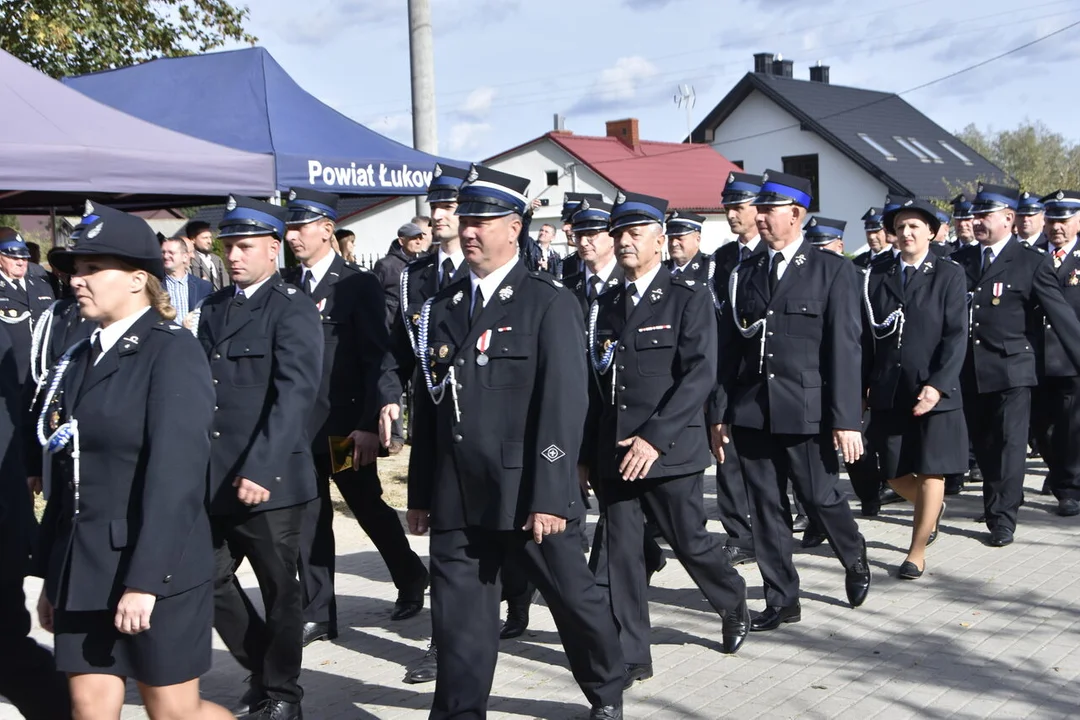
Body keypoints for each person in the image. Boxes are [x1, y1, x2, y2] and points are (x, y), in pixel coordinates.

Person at [399, 164, 624, 720]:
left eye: (482, 221)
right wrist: (421, 491)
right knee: (458, 623)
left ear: (515, 227)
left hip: (528, 494)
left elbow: (565, 408)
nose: (467, 230)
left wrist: (551, 493)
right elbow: (430, 407)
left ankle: (606, 689)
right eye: (463, 220)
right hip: (458, 495)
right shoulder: (443, 307)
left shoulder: (548, 302)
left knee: (574, 601)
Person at [31, 203, 230, 720]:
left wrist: (145, 582)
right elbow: (70, 472)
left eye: (94, 269)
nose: (79, 280)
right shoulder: (79, 353)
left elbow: (176, 478)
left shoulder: (172, 352)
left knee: (174, 713)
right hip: (86, 562)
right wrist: (55, 578)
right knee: (90, 707)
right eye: (75, 270)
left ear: (139, 279)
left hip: (154, 564)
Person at [584, 189, 749, 692]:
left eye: (635, 233)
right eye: (619, 234)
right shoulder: (604, 303)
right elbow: (596, 385)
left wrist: (653, 439)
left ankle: (732, 598)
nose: (625, 242)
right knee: (621, 554)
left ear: (660, 239)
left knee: (691, 543)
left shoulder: (688, 297)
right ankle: (633, 651)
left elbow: (699, 375)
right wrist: (589, 454)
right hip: (615, 453)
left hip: (669, 452)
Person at [714, 170, 871, 631]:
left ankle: (854, 556)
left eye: (768, 209)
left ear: (796, 214)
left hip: (806, 409)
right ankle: (782, 599)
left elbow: (845, 350)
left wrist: (846, 421)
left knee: (819, 496)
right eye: (757, 209)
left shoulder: (833, 270)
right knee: (765, 509)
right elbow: (731, 348)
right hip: (754, 410)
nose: (759, 217)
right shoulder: (745, 271)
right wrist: (719, 412)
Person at [282, 187, 428, 648]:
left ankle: (410, 577)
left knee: (364, 504)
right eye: (287, 228)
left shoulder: (356, 284)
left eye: (300, 227)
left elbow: (374, 357)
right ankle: (318, 612)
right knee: (310, 517)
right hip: (300, 433)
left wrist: (368, 423)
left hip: (344, 430)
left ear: (327, 229)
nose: (291, 237)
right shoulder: (288, 286)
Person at [198, 195, 323, 720]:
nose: (234, 256)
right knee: (206, 578)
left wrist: (261, 466)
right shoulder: (213, 306)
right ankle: (261, 666)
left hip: (270, 478)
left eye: (245, 246)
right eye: (229, 246)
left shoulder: (291, 306)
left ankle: (282, 695)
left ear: (274, 249)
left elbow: (296, 393)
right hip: (214, 474)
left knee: (280, 589)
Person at [378, 164, 472, 685]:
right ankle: (444, 644)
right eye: (435, 206)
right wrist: (390, 394)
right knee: (445, 543)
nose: (439, 216)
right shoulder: (415, 276)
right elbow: (397, 349)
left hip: (492, 430)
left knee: (536, 557)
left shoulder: (498, 268)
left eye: (449, 206)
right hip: (437, 422)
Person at [950, 184, 1080, 547]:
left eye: (984, 215)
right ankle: (997, 503)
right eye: (975, 215)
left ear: (1008, 218)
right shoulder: (961, 262)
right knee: (986, 444)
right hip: (971, 370)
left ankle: (1003, 517)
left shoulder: (1030, 261)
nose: (976, 221)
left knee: (1009, 444)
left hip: (1013, 369)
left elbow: (1062, 317)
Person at [861, 199, 969, 578]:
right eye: (901, 227)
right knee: (891, 471)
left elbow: (956, 336)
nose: (906, 233)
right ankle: (931, 509)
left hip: (934, 390)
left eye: (915, 227)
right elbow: (866, 337)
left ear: (932, 232)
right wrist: (863, 385)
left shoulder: (949, 274)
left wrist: (938, 385)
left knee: (931, 471)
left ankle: (916, 551)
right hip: (890, 387)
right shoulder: (877, 274)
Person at [707, 172, 767, 566]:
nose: (731, 213)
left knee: (768, 466)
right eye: (728, 206)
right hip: (728, 369)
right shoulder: (725, 257)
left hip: (766, 372)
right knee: (726, 455)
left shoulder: (770, 255)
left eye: (739, 206)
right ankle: (739, 535)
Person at [1029, 190, 1080, 517]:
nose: (1057, 227)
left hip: (1072, 356)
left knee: (1070, 425)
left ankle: (1069, 487)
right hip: (1035, 356)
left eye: (1064, 220)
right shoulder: (1031, 255)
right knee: (1040, 427)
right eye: (1052, 220)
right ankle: (1057, 468)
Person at [0, 231, 55, 389]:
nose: (21, 262)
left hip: (41, 376)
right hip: (8, 379)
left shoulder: (41, 286)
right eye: (14, 258)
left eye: (24, 257)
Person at [373, 222, 428, 329]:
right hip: (392, 324)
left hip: (419, 322)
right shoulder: (385, 265)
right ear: (401, 241)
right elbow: (374, 296)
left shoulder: (427, 261)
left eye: (420, 238)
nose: (418, 242)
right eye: (414, 238)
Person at [161, 236, 212, 324]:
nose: (166, 256)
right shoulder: (153, 285)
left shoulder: (203, 287)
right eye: (163, 252)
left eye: (171, 253)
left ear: (184, 257)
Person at [663, 210, 710, 282]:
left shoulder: (710, 269)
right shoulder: (661, 269)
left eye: (679, 238)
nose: (673, 243)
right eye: (670, 239)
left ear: (697, 240)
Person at [186, 221, 230, 292]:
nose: (209, 241)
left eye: (210, 237)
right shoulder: (190, 260)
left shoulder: (217, 259)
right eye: (205, 238)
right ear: (193, 239)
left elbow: (226, 283)